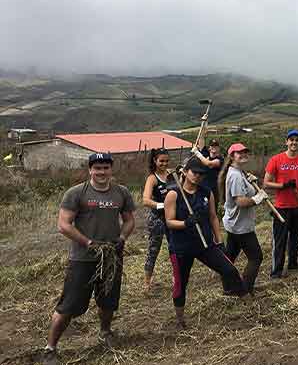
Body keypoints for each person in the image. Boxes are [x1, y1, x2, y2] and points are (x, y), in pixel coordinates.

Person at [43, 153, 135, 364]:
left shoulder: (121, 192)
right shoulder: (76, 193)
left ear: (111, 170)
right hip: (83, 258)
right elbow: (64, 225)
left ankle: (105, 333)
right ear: (90, 170)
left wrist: (122, 237)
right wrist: (88, 243)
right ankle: (50, 348)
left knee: (108, 300)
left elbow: (129, 220)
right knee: (69, 305)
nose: (102, 172)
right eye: (97, 168)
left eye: (105, 168)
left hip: (111, 256)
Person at [164, 157, 246, 329]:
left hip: (205, 244)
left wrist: (219, 239)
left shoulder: (206, 192)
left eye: (201, 174)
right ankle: (180, 319)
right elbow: (170, 222)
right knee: (180, 283)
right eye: (194, 172)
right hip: (181, 248)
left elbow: (213, 217)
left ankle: (247, 301)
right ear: (185, 172)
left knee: (229, 269)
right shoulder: (173, 194)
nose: (198, 176)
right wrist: (186, 222)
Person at [220, 143, 268, 293]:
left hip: (235, 224)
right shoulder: (235, 176)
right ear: (232, 156)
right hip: (241, 227)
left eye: (245, 152)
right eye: (239, 153)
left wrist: (251, 181)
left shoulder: (239, 172)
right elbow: (240, 201)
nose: (243, 154)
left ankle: (228, 288)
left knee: (229, 258)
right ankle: (244, 289)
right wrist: (257, 199)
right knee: (256, 257)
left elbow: (245, 190)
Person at [263, 129, 298, 279]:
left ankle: (293, 264)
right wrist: (282, 185)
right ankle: (276, 271)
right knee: (280, 240)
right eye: (291, 140)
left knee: (296, 237)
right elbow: (266, 183)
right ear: (286, 142)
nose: (294, 142)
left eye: (297, 140)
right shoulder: (276, 160)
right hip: (282, 208)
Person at [141, 148, 172, 292]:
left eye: (166, 161)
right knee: (154, 249)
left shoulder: (171, 175)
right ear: (155, 161)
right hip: (157, 219)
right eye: (161, 161)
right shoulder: (152, 178)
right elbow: (146, 200)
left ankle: (177, 277)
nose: (164, 164)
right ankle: (147, 282)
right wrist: (162, 205)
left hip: (172, 217)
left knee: (176, 248)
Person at [192, 138, 224, 207]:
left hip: (213, 189)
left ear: (219, 148)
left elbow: (209, 164)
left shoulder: (220, 159)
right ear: (209, 148)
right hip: (201, 187)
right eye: (212, 146)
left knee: (212, 207)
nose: (214, 148)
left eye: (216, 146)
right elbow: (201, 140)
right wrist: (203, 131)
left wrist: (197, 153)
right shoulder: (205, 154)